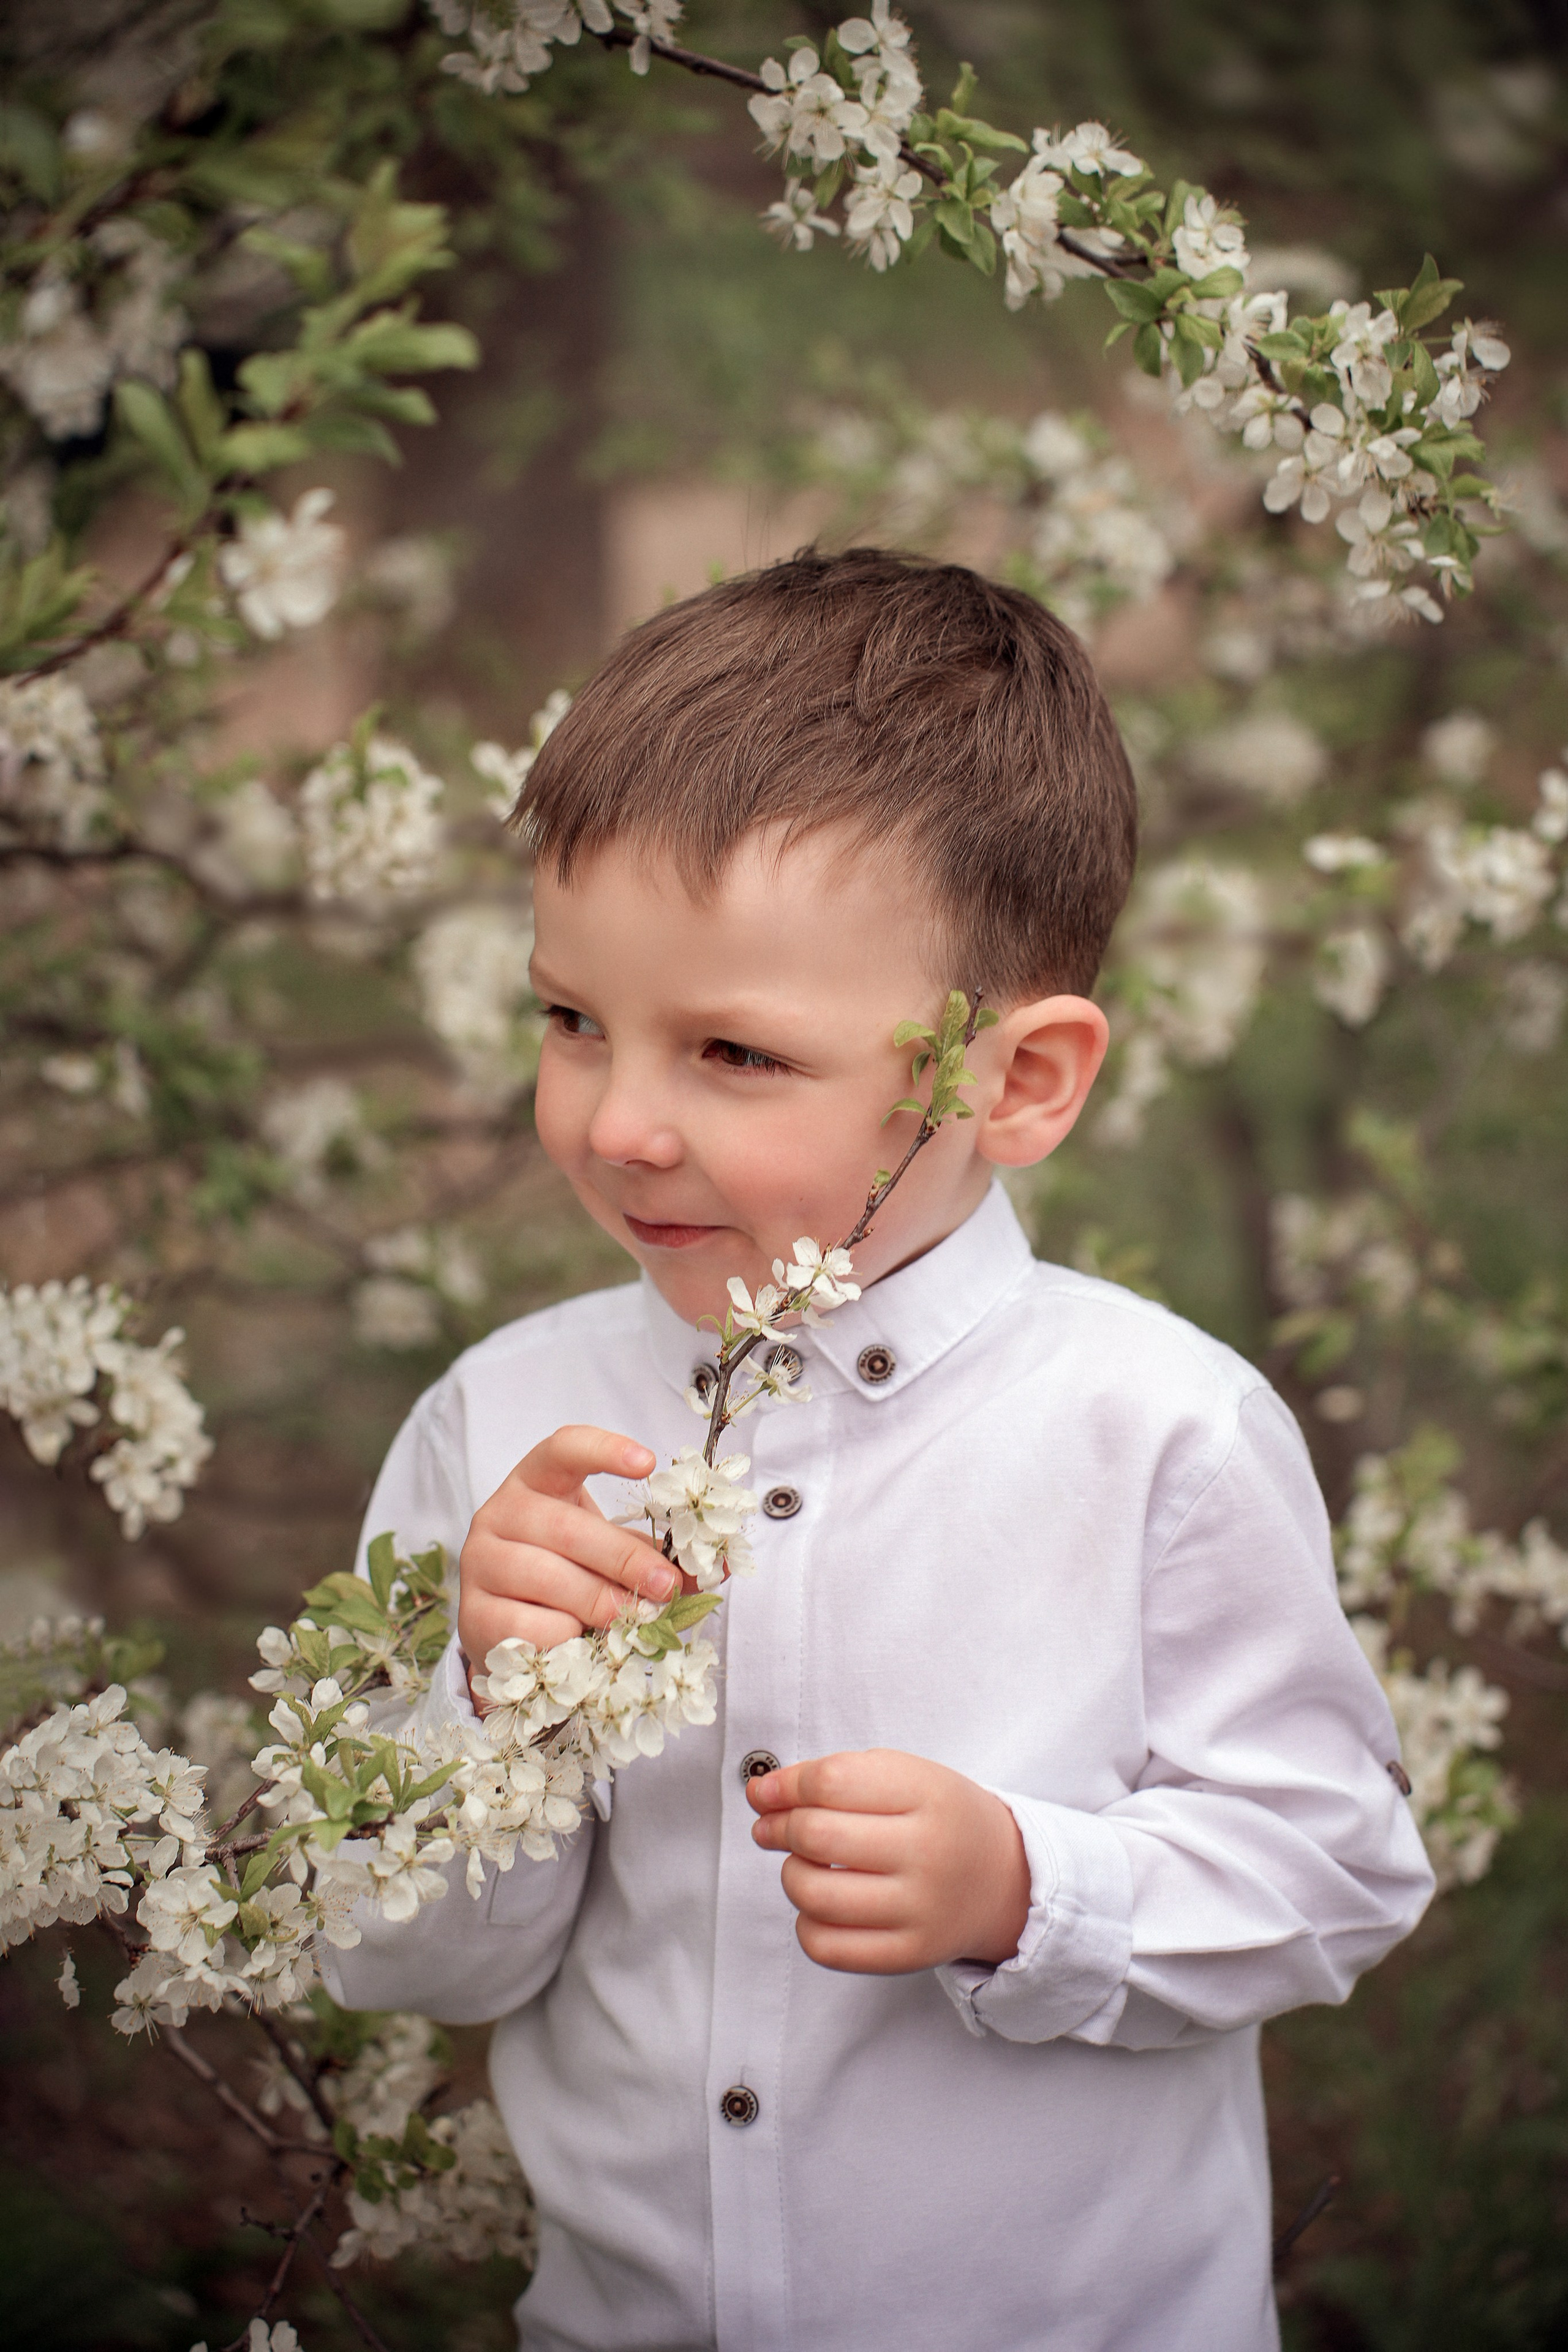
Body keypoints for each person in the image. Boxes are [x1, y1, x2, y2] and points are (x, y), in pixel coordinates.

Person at [320, 548, 1433, 2352]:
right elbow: (400, 1960)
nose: (619, 1124)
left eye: (736, 1054)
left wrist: (1030, 1891)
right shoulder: (504, 1425)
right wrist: (484, 1715)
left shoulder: (1157, 1433)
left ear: (1023, 1081)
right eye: (572, 1020)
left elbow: (1334, 1870)